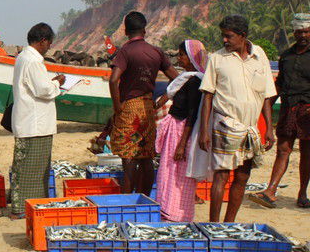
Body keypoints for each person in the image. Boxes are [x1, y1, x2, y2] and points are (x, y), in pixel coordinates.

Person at [197, 15, 277, 222]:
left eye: (228, 36)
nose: (224, 40)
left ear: (243, 36)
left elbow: (267, 95)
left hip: (250, 127)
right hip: (224, 124)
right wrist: (204, 131)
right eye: (223, 36)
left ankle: (229, 223)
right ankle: (214, 225)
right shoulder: (217, 58)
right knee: (221, 175)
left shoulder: (259, 55)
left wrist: (269, 128)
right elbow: (208, 95)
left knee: (242, 176)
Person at [109, 11, 178, 194]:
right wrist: (162, 99)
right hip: (148, 107)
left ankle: (128, 197)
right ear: (144, 30)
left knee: (129, 156)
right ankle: (145, 198)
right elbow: (177, 79)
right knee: (146, 155)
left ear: (126, 31)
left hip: (129, 107)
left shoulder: (125, 51)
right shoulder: (156, 51)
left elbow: (114, 80)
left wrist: (117, 107)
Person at [250, 13, 310, 209]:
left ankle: (302, 194)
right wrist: (262, 107)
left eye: (306, 31)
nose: (303, 35)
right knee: (283, 150)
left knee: (307, 154)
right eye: (299, 31)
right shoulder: (287, 55)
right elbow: (280, 85)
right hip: (288, 108)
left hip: (308, 109)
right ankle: (271, 191)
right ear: (294, 32)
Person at [8, 23, 65, 219]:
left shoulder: (24, 57)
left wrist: (52, 81)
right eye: (49, 42)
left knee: (26, 167)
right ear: (42, 41)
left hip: (30, 122)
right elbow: (44, 90)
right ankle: (23, 208)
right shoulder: (32, 61)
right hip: (35, 124)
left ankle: (23, 206)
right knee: (32, 169)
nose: (49, 47)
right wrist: (58, 82)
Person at [154, 40, 207, 221]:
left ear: (191, 57)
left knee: (177, 175)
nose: (179, 58)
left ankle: (176, 213)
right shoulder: (185, 79)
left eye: (182, 54)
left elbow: (192, 114)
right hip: (176, 130)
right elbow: (167, 96)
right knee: (168, 172)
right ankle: (167, 209)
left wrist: (182, 144)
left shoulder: (194, 82)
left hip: (182, 131)